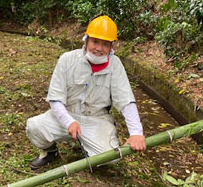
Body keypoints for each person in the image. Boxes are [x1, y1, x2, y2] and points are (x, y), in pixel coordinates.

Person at [26, 15, 146, 170]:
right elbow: (55, 100)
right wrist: (69, 122)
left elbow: (126, 101)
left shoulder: (115, 65)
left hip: (96, 119)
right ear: (86, 40)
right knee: (35, 127)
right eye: (95, 42)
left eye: (105, 44)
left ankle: (87, 146)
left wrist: (136, 132)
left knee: (110, 158)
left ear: (111, 47)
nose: (99, 48)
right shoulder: (67, 60)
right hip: (66, 115)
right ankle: (50, 151)